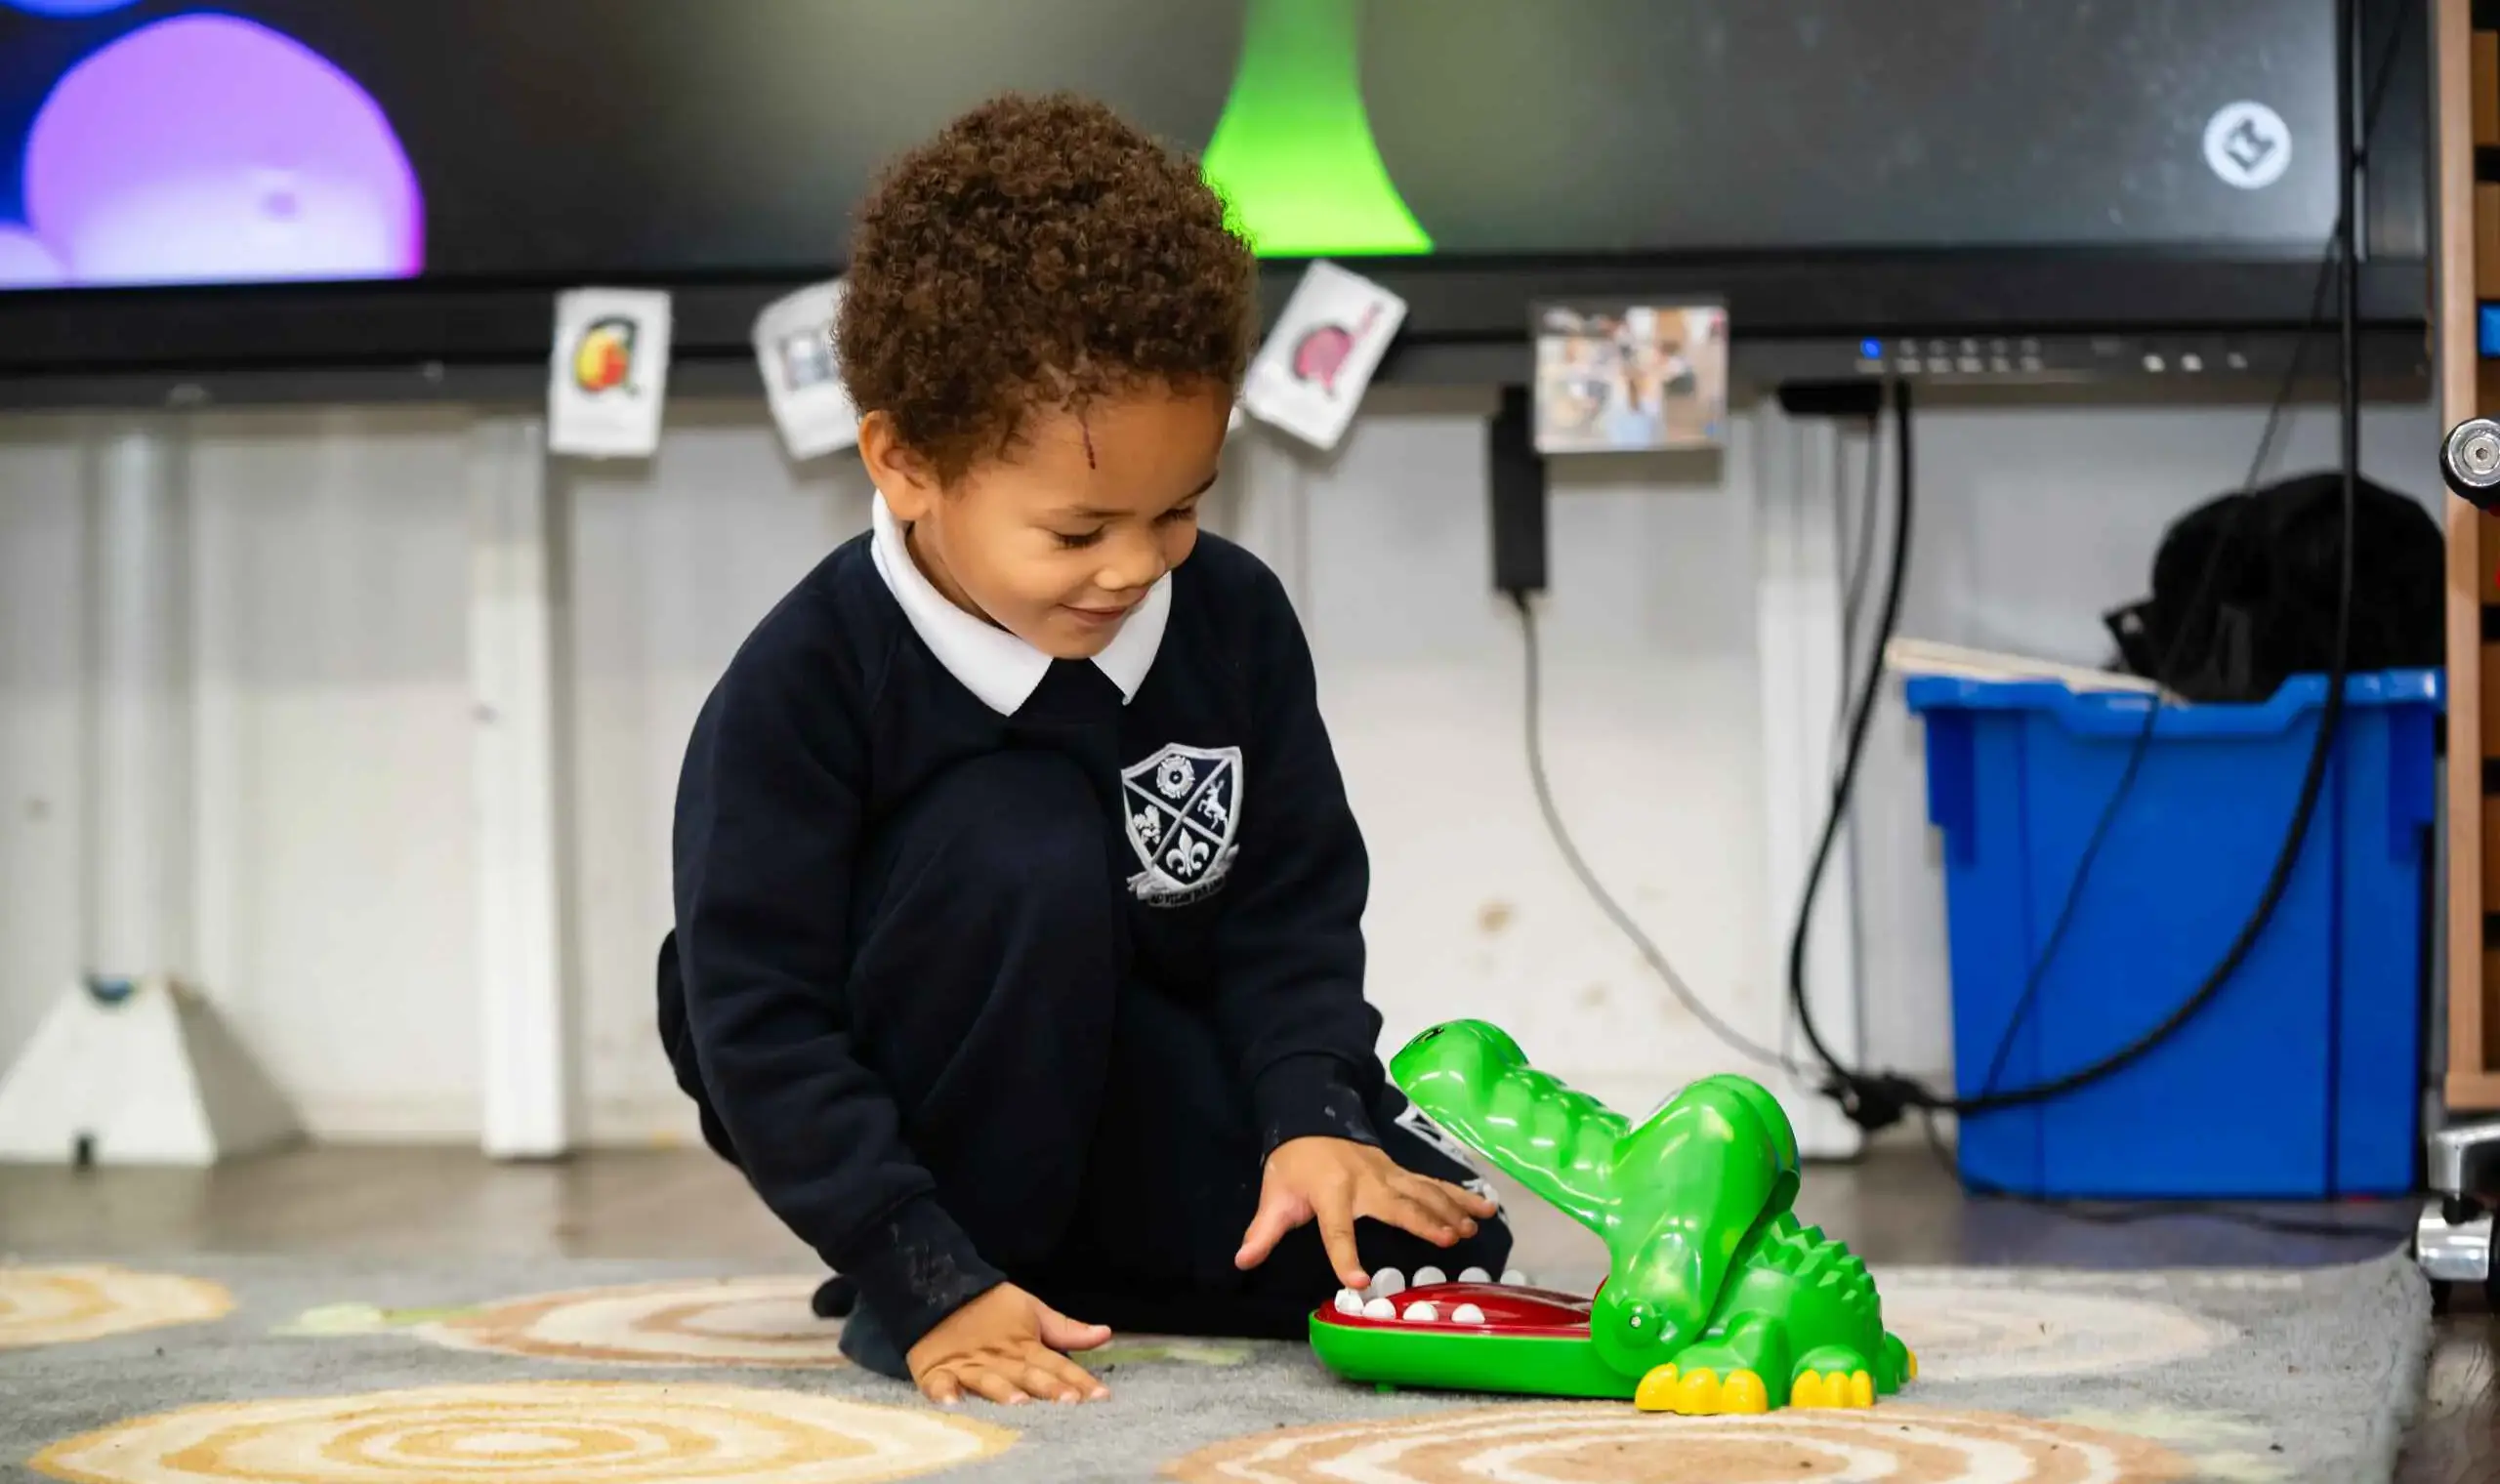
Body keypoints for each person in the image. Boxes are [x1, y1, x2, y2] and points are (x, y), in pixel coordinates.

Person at [655, 92, 1510, 1410]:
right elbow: (754, 1023)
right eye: (1078, 531)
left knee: (1415, 1249)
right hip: (893, 1094)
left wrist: (1310, 1119)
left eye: (1178, 510)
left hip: (1120, 1052)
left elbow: (1287, 921)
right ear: (903, 462)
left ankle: (1068, 1264)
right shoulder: (806, 681)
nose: (1134, 566)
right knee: (1022, 834)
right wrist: (913, 1265)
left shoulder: (1231, 623)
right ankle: (943, 1273)